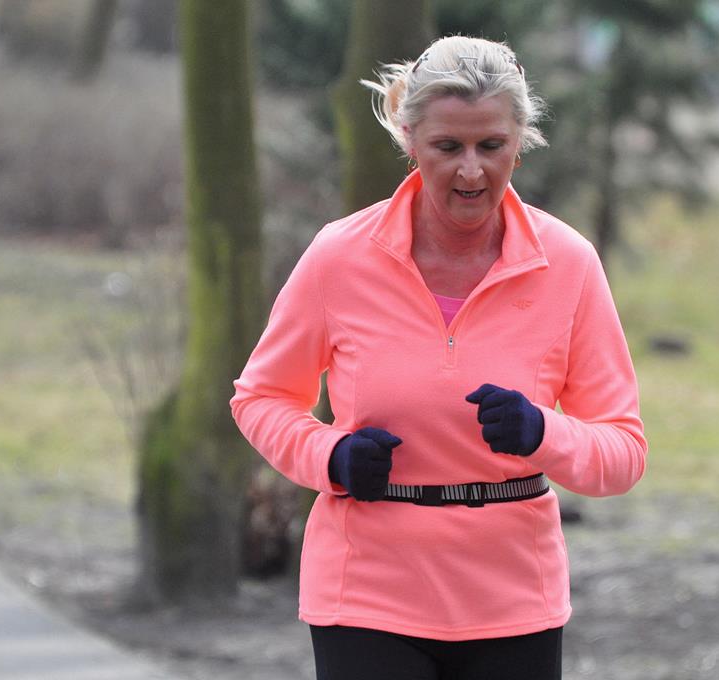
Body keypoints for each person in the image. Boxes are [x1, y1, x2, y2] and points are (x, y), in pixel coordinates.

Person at [231, 35, 647, 680]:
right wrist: (330, 457)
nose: (472, 171)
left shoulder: (569, 264)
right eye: (448, 147)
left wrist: (542, 432)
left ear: (520, 141)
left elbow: (623, 452)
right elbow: (261, 398)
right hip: (365, 593)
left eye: (491, 146)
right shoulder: (340, 257)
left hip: (513, 598)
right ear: (410, 139)